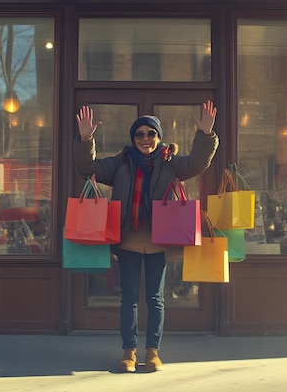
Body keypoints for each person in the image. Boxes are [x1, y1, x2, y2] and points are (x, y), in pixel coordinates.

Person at [73, 100, 219, 373]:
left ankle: (152, 351)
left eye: (151, 133)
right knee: (128, 298)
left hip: (157, 242)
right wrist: (85, 138)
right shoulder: (120, 163)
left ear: (159, 137)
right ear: (133, 139)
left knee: (155, 298)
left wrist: (206, 135)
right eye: (139, 134)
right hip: (128, 241)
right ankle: (129, 353)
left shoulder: (171, 164)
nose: (145, 139)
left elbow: (198, 163)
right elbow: (86, 168)